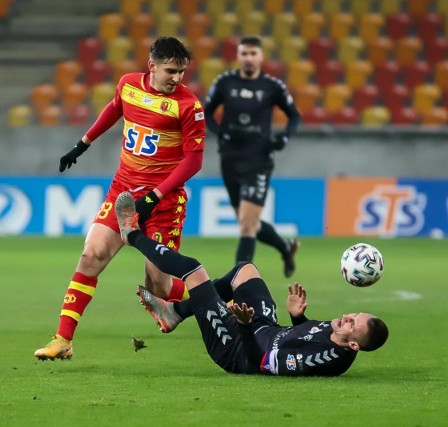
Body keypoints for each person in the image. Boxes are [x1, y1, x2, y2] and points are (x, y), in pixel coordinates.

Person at [34, 36, 206, 360]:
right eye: (171, 71)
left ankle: (220, 298)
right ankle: (62, 339)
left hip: (164, 202)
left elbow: (194, 160)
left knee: (159, 286)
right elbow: (114, 110)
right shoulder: (128, 85)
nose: (177, 78)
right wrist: (82, 144)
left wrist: (155, 197)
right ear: (151, 65)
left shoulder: (189, 107)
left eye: (182, 72)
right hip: (123, 191)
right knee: (90, 256)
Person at [114, 191, 389, 376]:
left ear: (353, 346)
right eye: (354, 315)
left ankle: (132, 234)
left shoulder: (326, 358)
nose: (346, 317)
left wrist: (244, 326)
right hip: (263, 327)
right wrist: (298, 316)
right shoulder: (337, 332)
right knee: (245, 270)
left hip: (236, 349)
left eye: (353, 323)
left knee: (193, 271)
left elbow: (260, 363)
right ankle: (173, 313)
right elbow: (302, 338)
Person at [204, 35, 302, 278]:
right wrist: (219, 133)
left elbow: (294, 115)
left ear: (261, 57)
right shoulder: (225, 82)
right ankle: (285, 247)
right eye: (244, 54)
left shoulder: (272, 86)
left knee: (247, 225)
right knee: (248, 223)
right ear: (238, 56)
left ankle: (238, 284)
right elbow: (206, 112)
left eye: (253, 54)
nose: (248, 58)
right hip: (230, 160)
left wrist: (284, 137)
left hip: (259, 160)